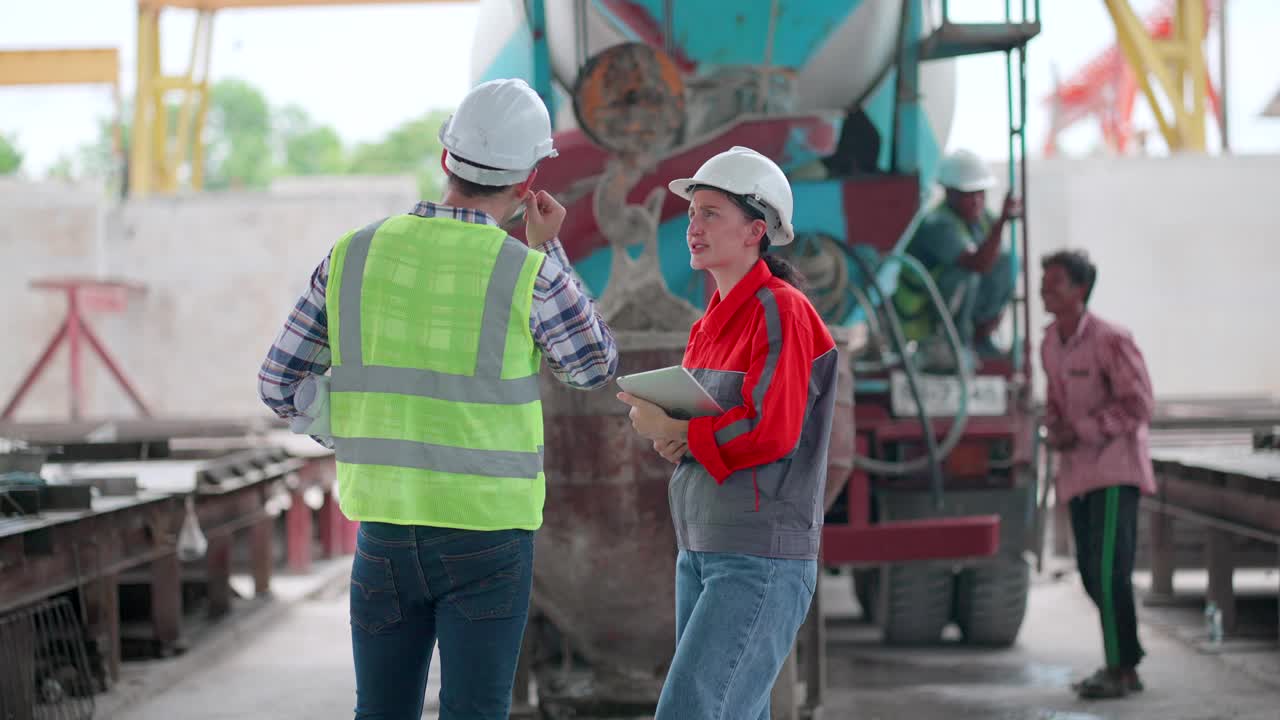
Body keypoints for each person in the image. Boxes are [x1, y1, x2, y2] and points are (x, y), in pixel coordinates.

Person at [256, 78, 618, 719]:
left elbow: (279, 382)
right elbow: (593, 367)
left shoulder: (353, 254)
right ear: (529, 177)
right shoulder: (525, 270)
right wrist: (550, 247)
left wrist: (355, 428)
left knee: (382, 711)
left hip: (385, 530)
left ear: (446, 158)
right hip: (489, 535)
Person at [616, 146, 839, 719]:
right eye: (692, 213)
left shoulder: (781, 311)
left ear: (755, 230)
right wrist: (669, 434)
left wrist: (683, 435)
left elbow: (773, 429)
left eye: (711, 212)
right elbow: (710, 429)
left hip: (757, 555)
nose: (693, 226)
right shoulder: (709, 322)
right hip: (703, 547)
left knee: (690, 711)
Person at [1040, 249, 1156, 700]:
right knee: (1092, 573)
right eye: (1043, 284)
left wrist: (1084, 430)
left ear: (1080, 289)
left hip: (1113, 471)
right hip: (1077, 474)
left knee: (1108, 571)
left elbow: (1140, 405)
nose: (1045, 292)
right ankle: (1126, 662)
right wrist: (1055, 428)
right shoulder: (1050, 341)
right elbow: (1054, 400)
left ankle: (1119, 667)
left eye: (1055, 284)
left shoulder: (1111, 339)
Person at [893, 148, 1022, 361]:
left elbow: (996, 265)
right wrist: (1002, 222)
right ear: (949, 193)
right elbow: (977, 263)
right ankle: (949, 344)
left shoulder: (980, 219)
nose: (977, 201)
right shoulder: (937, 224)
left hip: (960, 308)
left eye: (981, 193)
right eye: (969, 195)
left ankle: (981, 338)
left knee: (1009, 263)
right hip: (923, 317)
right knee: (966, 275)